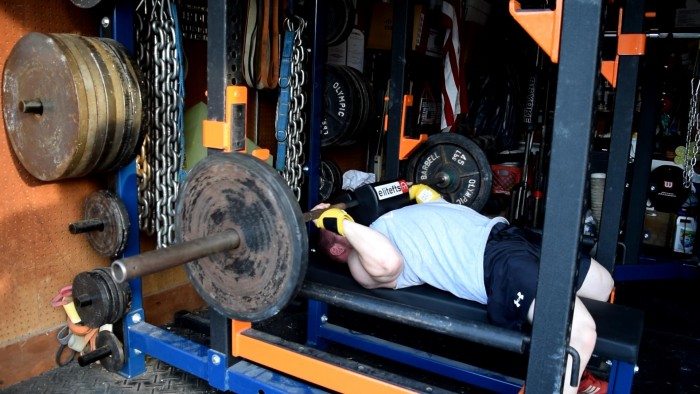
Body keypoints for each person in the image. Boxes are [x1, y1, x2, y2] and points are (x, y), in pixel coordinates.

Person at [312, 184, 615, 394]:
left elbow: (445, 215)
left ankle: (576, 372)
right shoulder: (358, 260)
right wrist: (343, 225)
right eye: (335, 227)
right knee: (581, 332)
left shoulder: (383, 223)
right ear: (337, 249)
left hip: (509, 235)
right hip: (497, 263)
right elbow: (388, 263)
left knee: (603, 285)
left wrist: (425, 195)